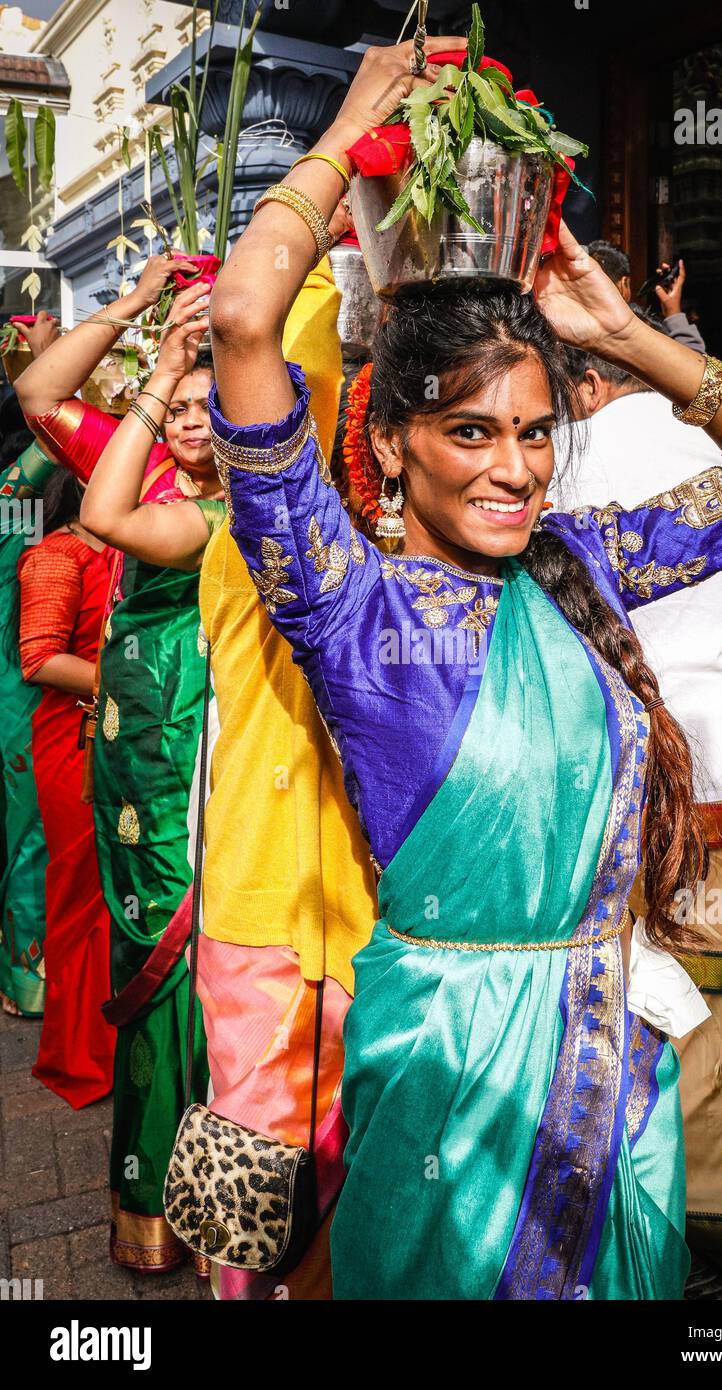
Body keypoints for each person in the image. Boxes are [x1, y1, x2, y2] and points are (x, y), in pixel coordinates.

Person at [206, 37, 722, 1299]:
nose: (512, 467)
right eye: (469, 431)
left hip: (614, 1063)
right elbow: (241, 319)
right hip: (448, 1073)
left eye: (534, 431)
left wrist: (632, 333)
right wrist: (344, 131)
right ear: (389, 446)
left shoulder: (585, 565)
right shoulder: (344, 602)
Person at [80, 255, 379, 1301]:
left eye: (229, 407)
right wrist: (162, 376)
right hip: (242, 882)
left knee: (345, 1183)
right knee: (259, 1190)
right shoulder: (221, 540)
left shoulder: (335, 543)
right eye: (195, 414)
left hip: (352, 907)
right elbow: (104, 512)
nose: (206, 426)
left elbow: (304, 384)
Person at [550, 343, 722, 1299]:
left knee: (605, 1008)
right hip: (716, 781)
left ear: (575, 373)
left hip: (601, 790)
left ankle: (619, 1243)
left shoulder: (555, 457)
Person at [15, 263, 219, 1275]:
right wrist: (140, 315)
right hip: (139, 757)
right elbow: (40, 396)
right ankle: (154, 1200)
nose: (188, 419)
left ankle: (228, 1196)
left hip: (233, 761)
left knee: (223, 972)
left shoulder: (271, 488)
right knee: (152, 959)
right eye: (176, 403)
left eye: (207, 403)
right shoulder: (138, 482)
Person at [17, 469, 115, 1107]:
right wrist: (135, 677)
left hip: (128, 735)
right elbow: (41, 658)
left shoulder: (137, 547)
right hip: (74, 742)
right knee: (81, 891)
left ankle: (122, 1041)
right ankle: (78, 1057)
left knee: (127, 889)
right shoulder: (55, 555)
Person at [0, 319, 60, 1017]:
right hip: (20, 694)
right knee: (28, 834)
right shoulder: (12, 514)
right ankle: (27, 981)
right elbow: (52, 437)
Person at [587, 239, 706, 352]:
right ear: (624, 284)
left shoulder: (577, 333)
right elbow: (694, 367)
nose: (695, 317)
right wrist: (674, 313)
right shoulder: (637, 336)